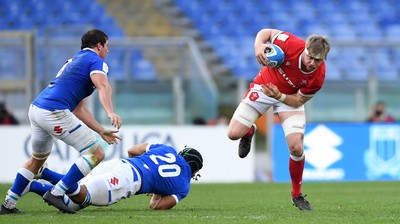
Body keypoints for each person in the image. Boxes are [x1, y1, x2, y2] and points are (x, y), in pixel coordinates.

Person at [0, 29, 122, 215]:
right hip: (53, 111)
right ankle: (56, 193)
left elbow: (78, 109)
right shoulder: (96, 61)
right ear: (98, 45)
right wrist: (110, 112)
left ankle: (8, 204)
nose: (108, 51)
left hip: (37, 109)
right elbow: (103, 86)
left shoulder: (75, 61)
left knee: (37, 161)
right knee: (96, 154)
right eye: (107, 46)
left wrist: (100, 130)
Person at [227, 28, 330, 210]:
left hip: (288, 99)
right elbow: (266, 32)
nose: (312, 62)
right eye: (310, 57)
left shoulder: (319, 76)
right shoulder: (290, 43)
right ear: (305, 48)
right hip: (264, 87)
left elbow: (298, 100)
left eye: (318, 59)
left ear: (324, 58)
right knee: (233, 134)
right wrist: (259, 46)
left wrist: (280, 96)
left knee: (296, 147)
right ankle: (249, 130)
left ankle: (296, 195)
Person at [27, 143, 203, 212]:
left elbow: (133, 150)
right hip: (128, 180)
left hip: (119, 164)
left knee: (71, 202)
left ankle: (33, 185)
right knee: (81, 196)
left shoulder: (167, 149)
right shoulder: (183, 186)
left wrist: (147, 169)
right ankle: (44, 172)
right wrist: (157, 190)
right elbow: (156, 206)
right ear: (194, 170)